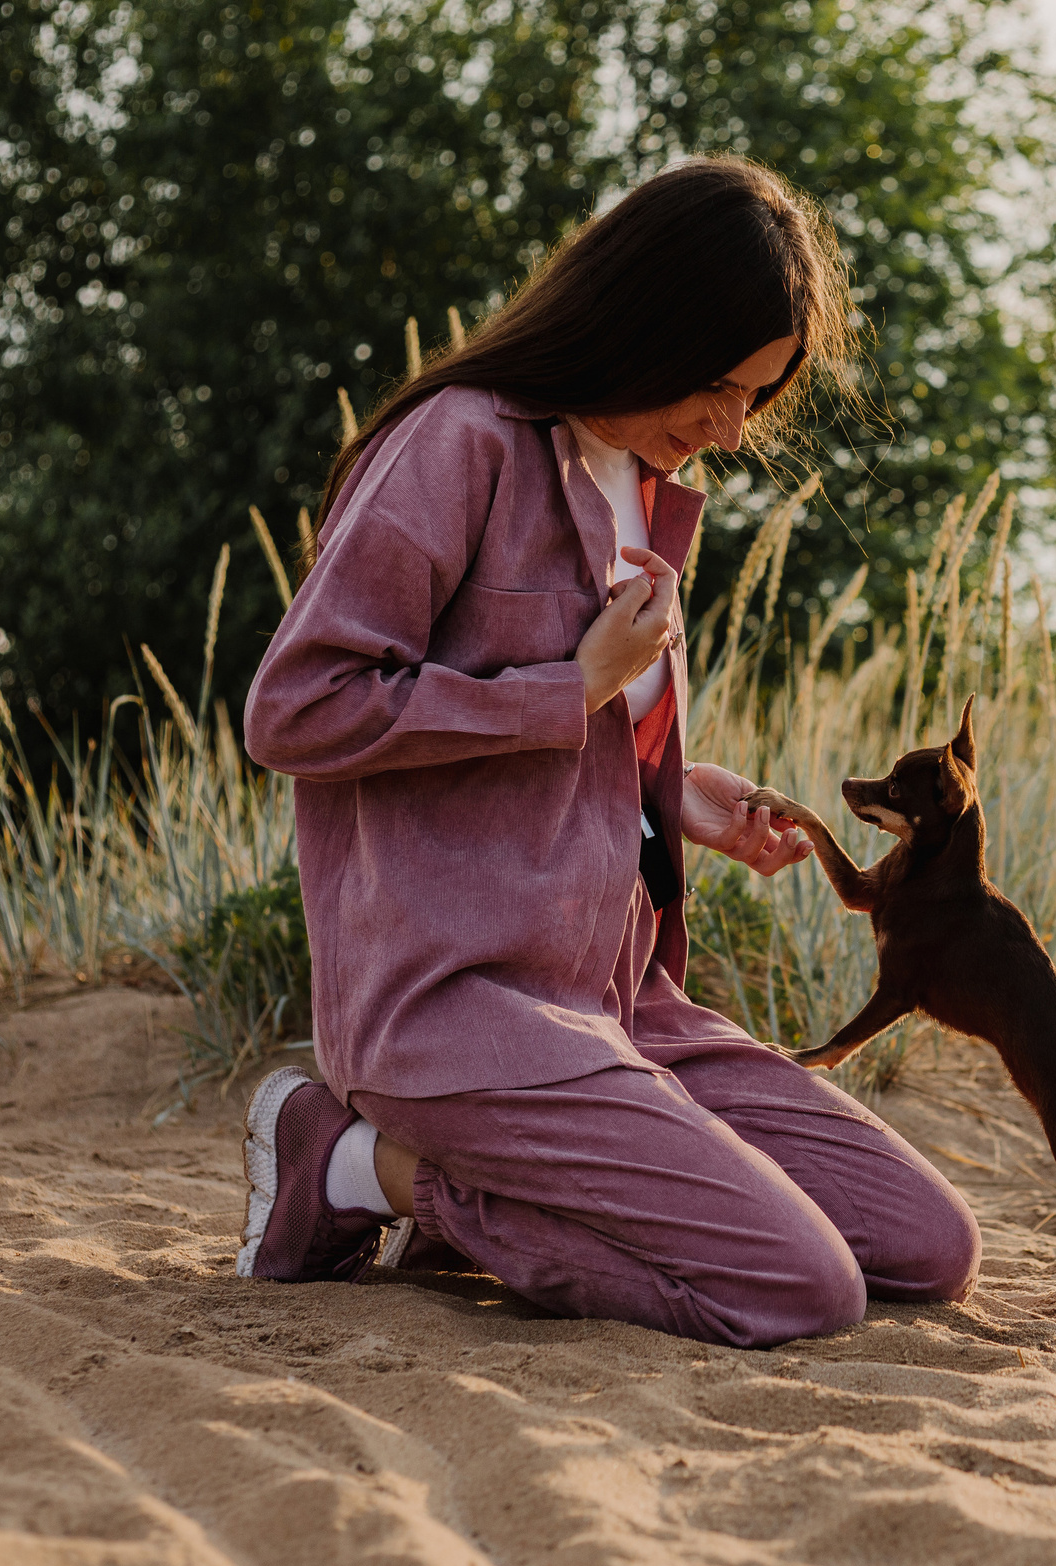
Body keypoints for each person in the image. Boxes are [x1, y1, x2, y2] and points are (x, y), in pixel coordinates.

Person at [235, 158, 980, 1348]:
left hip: (618, 1001)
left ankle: (508, 1178)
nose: (733, 430)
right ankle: (366, 1168)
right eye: (719, 385)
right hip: (452, 1005)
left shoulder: (644, 481)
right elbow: (298, 709)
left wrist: (669, 790)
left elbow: (567, 735)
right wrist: (568, 688)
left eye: (760, 396)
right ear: (639, 325)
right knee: (803, 1289)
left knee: (925, 1246)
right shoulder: (458, 444)